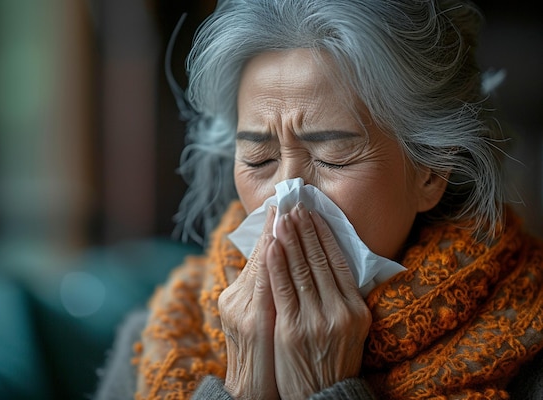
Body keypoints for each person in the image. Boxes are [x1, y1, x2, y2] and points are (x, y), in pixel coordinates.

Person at [95, 0, 543, 399]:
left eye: (333, 157)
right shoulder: (159, 339)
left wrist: (331, 390)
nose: (288, 199)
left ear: (430, 172)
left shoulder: (530, 346)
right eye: (259, 158)